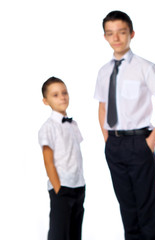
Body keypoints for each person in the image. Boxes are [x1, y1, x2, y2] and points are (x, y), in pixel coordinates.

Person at [94, 10, 155, 240]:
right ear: (105, 37)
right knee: (126, 207)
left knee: (147, 208)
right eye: (110, 33)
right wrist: (107, 138)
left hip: (140, 142)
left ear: (131, 33)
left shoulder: (145, 67)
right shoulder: (104, 71)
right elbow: (102, 107)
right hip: (114, 144)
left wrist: (151, 141)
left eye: (121, 32)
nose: (116, 38)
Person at [38, 77, 86, 240]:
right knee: (59, 233)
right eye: (55, 95)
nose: (62, 97)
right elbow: (48, 161)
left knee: (74, 232)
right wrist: (58, 188)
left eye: (64, 93)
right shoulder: (48, 128)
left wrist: (81, 183)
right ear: (46, 101)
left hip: (78, 185)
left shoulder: (73, 124)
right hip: (62, 188)